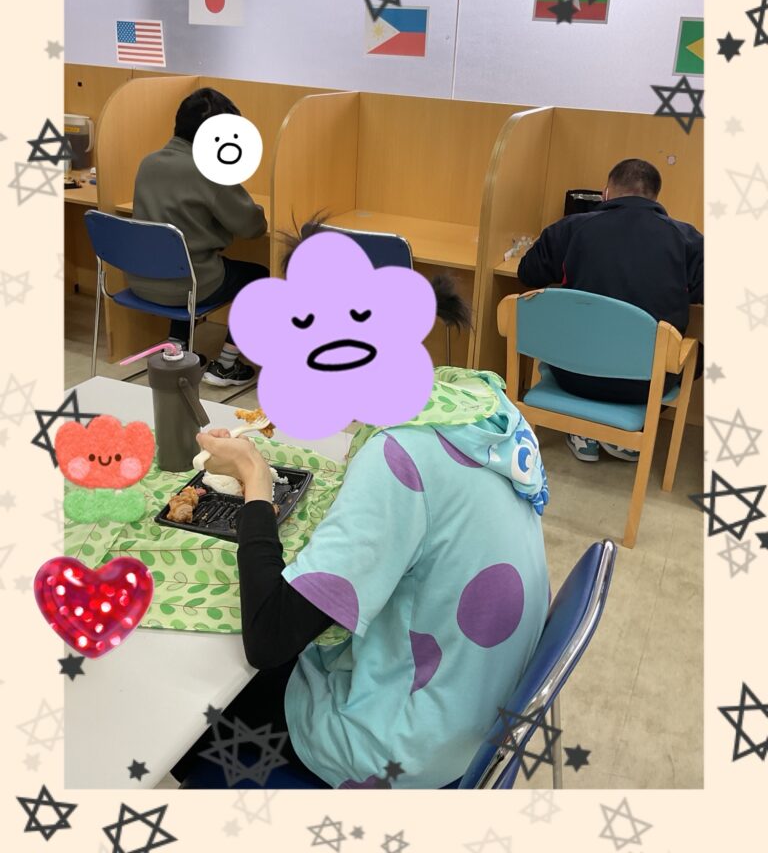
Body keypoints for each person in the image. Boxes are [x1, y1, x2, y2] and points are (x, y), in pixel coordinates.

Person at [171, 239, 550, 790]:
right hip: (476, 704)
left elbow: (269, 638)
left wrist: (254, 478)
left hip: (407, 744)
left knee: (189, 708)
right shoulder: (473, 398)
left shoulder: (399, 457)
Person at [518, 158, 704, 463]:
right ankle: (625, 432)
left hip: (573, 374)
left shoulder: (570, 228)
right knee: (697, 355)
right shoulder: (688, 240)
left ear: (605, 193)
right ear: (655, 197)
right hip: (646, 385)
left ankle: (584, 429)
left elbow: (528, 273)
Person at [126, 88, 268, 387]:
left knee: (179, 260)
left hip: (140, 280)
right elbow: (252, 228)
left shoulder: (148, 162)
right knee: (260, 278)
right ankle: (227, 365)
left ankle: (177, 351)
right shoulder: (209, 170)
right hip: (188, 285)